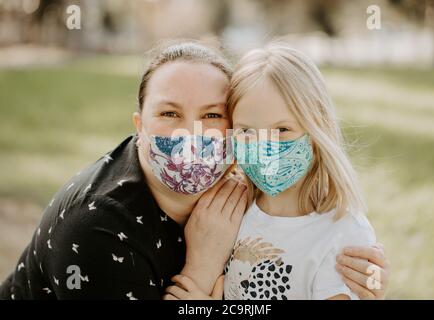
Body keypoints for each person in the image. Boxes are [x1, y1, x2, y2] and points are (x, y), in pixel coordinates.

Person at [0, 41, 389, 300]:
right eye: (170, 113)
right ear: (140, 127)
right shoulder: (96, 230)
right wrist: (200, 270)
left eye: (212, 115)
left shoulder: (237, 189)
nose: (192, 134)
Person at [165, 42, 389, 300]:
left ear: (317, 130)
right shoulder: (229, 209)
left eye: (281, 130)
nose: (263, 146)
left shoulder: (344, 235)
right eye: (246, 131)